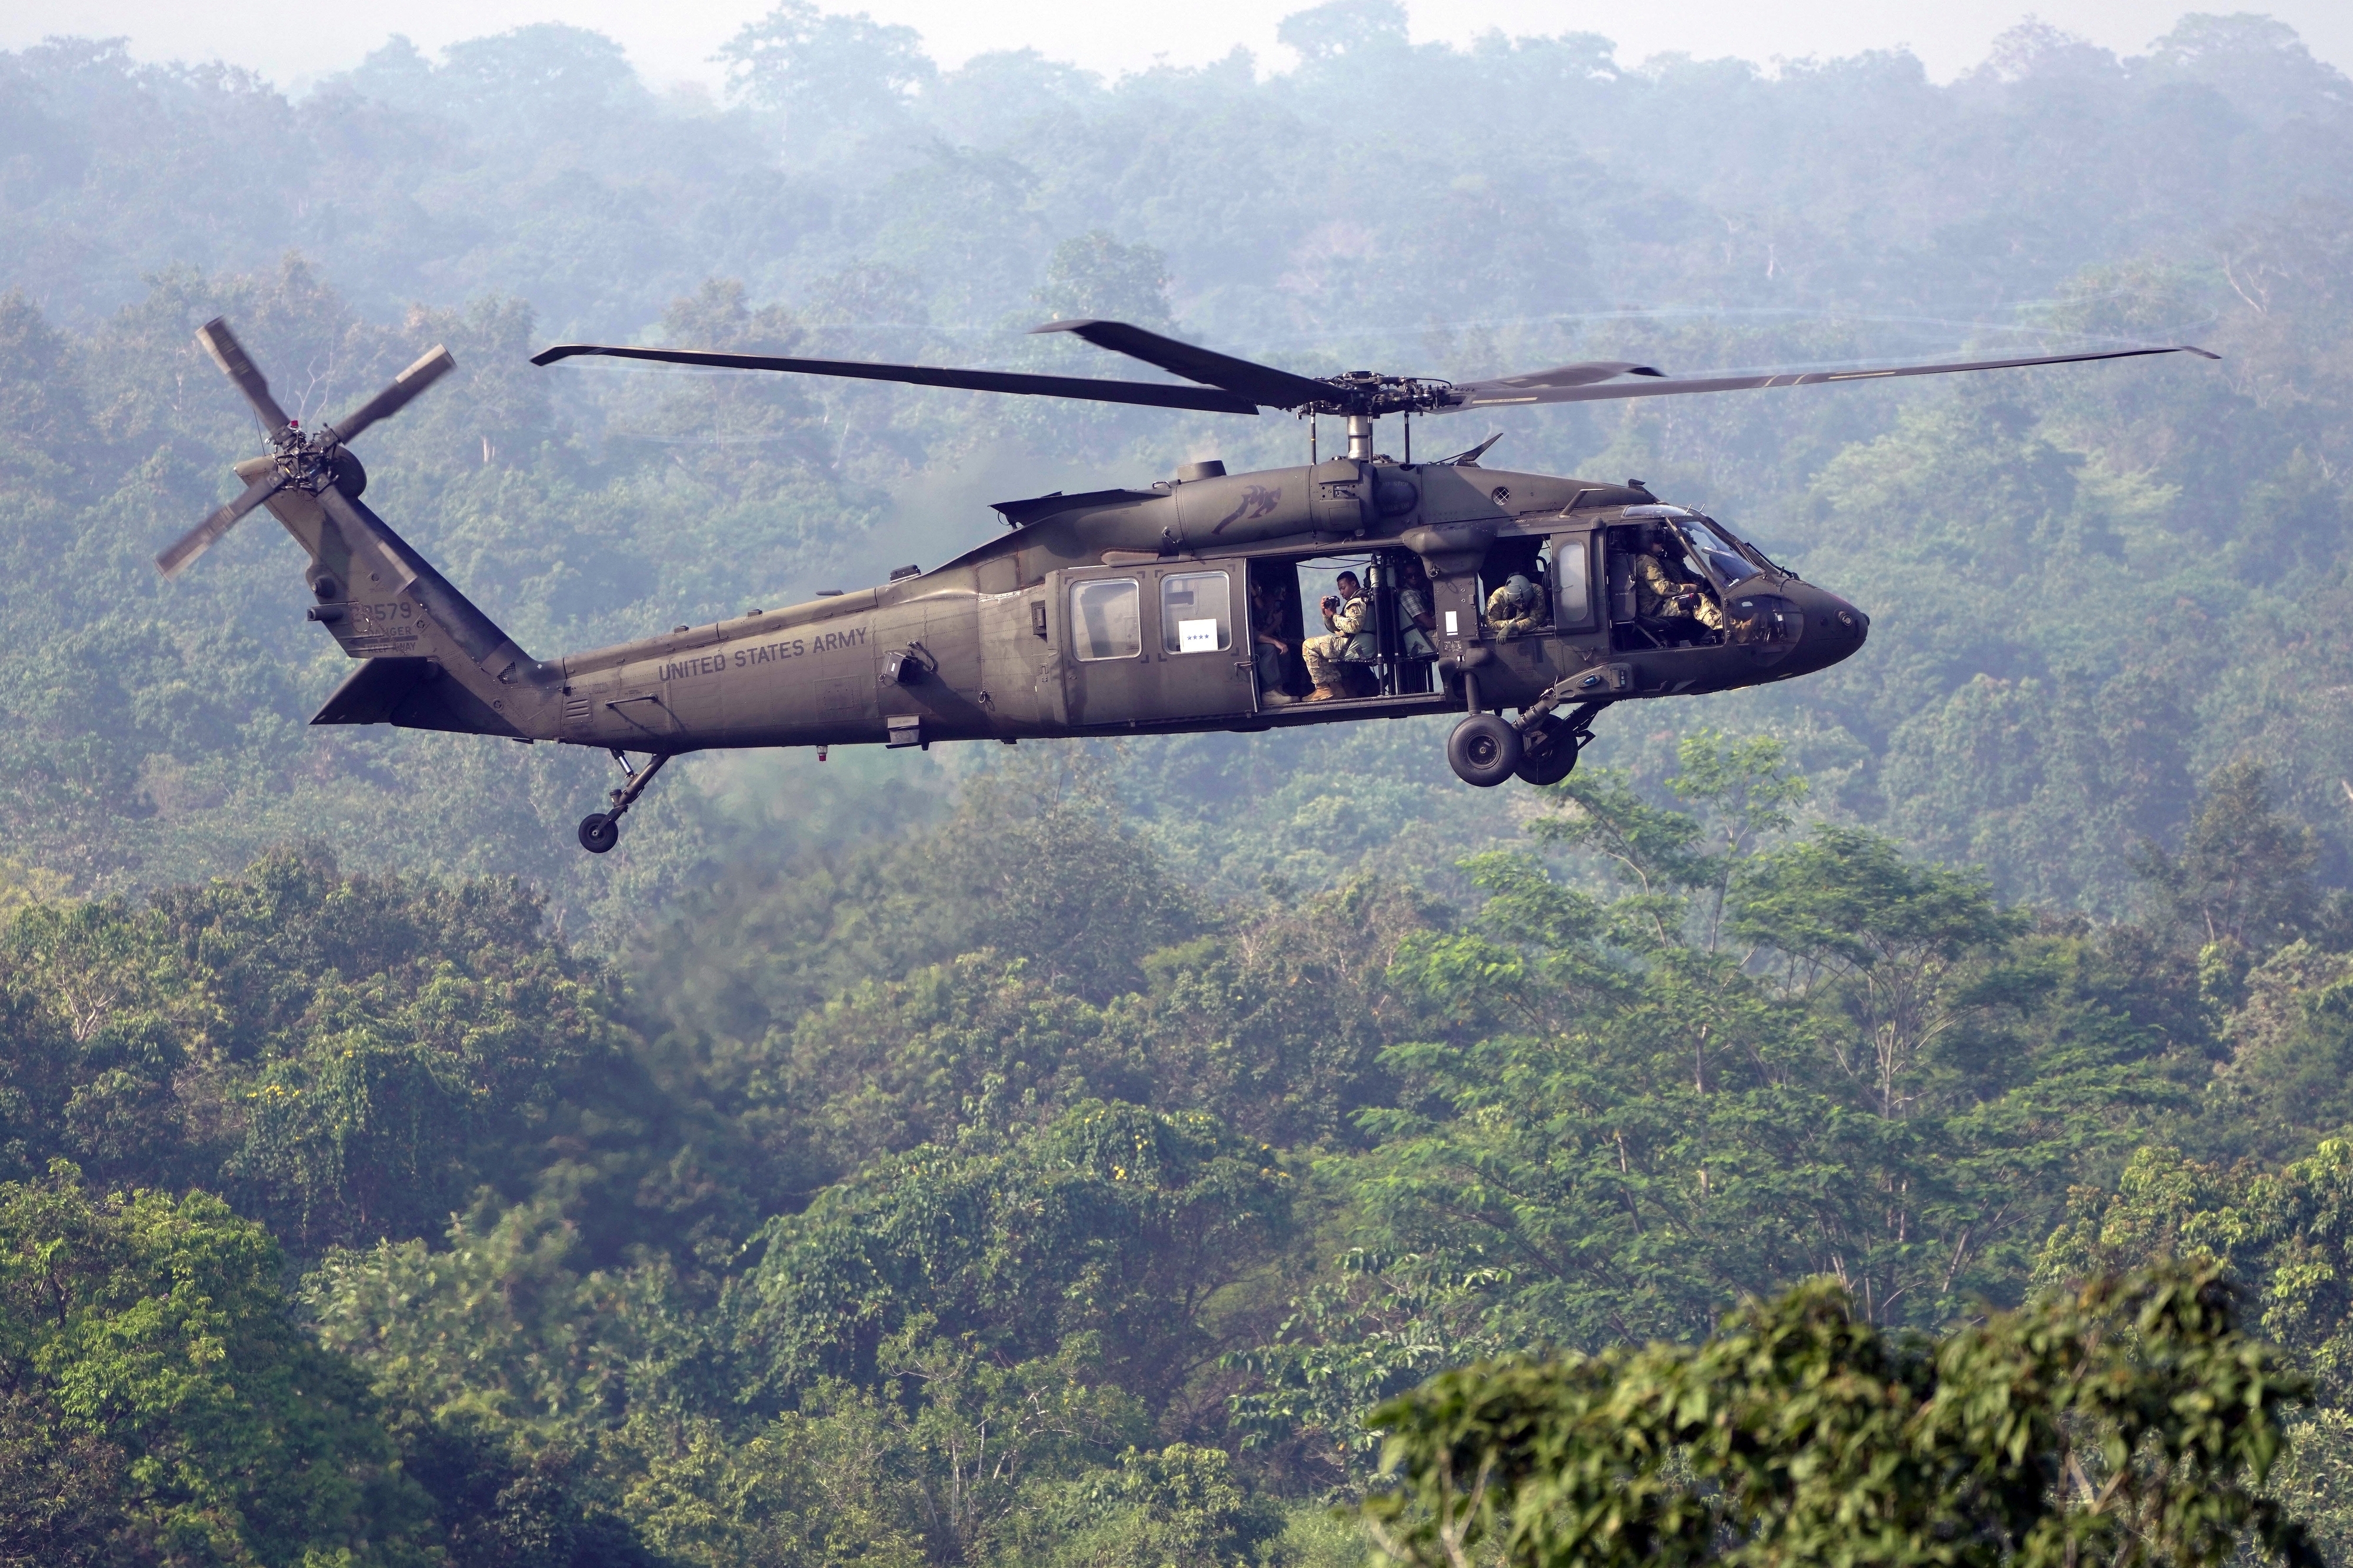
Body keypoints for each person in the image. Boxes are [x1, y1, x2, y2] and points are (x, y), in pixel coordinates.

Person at [1631, 532, 1724, 637]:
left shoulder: (1652, 559)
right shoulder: (1647, 561)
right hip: (1654, 609)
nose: (1662, 544)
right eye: (1658, 541)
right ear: (1646, 542)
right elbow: (1662, 589)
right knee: (1696, 600)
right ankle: (1731, 630)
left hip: (1660, 604)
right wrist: (1689, 588)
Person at [1302, 570, 1372, 700]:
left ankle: (1322, 688)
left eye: (1343, 588)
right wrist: (1328, 614)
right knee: (1321, 651)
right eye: (1339, 589)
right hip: (1355, 643)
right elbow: (1337, 629)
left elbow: (1354, 626)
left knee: (1309, 645)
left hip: (1354, 645)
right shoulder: (1361, 599)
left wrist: (1333, 616)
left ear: (1354, 583)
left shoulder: (1356, 602)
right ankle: (1336, 689)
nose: (1341, 592)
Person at [1248, 576, 1296, 706]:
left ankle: (1279, 690)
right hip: (1248, 650)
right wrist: (1275, 626)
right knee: (1269, 649)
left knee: (1286, 649)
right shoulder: (1246, 608)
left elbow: (1262, 611)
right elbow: (1254, 635)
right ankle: (1270, 692)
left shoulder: (1262, 609)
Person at [1397, 558, 1438, 660]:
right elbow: (1429, 623)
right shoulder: (1408, 595)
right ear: (1404, 578)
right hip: (1422, 638)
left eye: (1417, 575)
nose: (1414, 578)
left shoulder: (1420, 591)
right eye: (1410, 576)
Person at [1484, 571, 1546, 638]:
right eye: (1518, 602)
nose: (1522, 605)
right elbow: (1492, 625)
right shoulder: (1497, 598)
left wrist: (1513, 626)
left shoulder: (1537, 591)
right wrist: (1512, 622)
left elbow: (1536, 619)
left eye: (1525, 602)